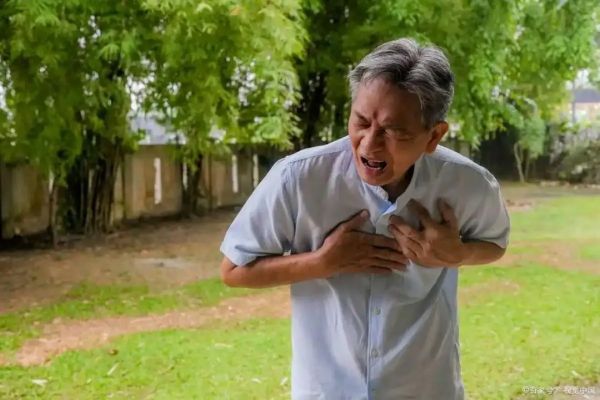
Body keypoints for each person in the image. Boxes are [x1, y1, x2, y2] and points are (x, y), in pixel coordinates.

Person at [219, 38, 510, 400]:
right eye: (361, 121)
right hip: (327, 389)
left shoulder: (467, 184)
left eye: (394, 131)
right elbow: (234, 270)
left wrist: (459, 253)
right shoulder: (298, 179)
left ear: (433, 135)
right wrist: (322, 262)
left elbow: (495, 243)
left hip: (425, 386)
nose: (369, 144)